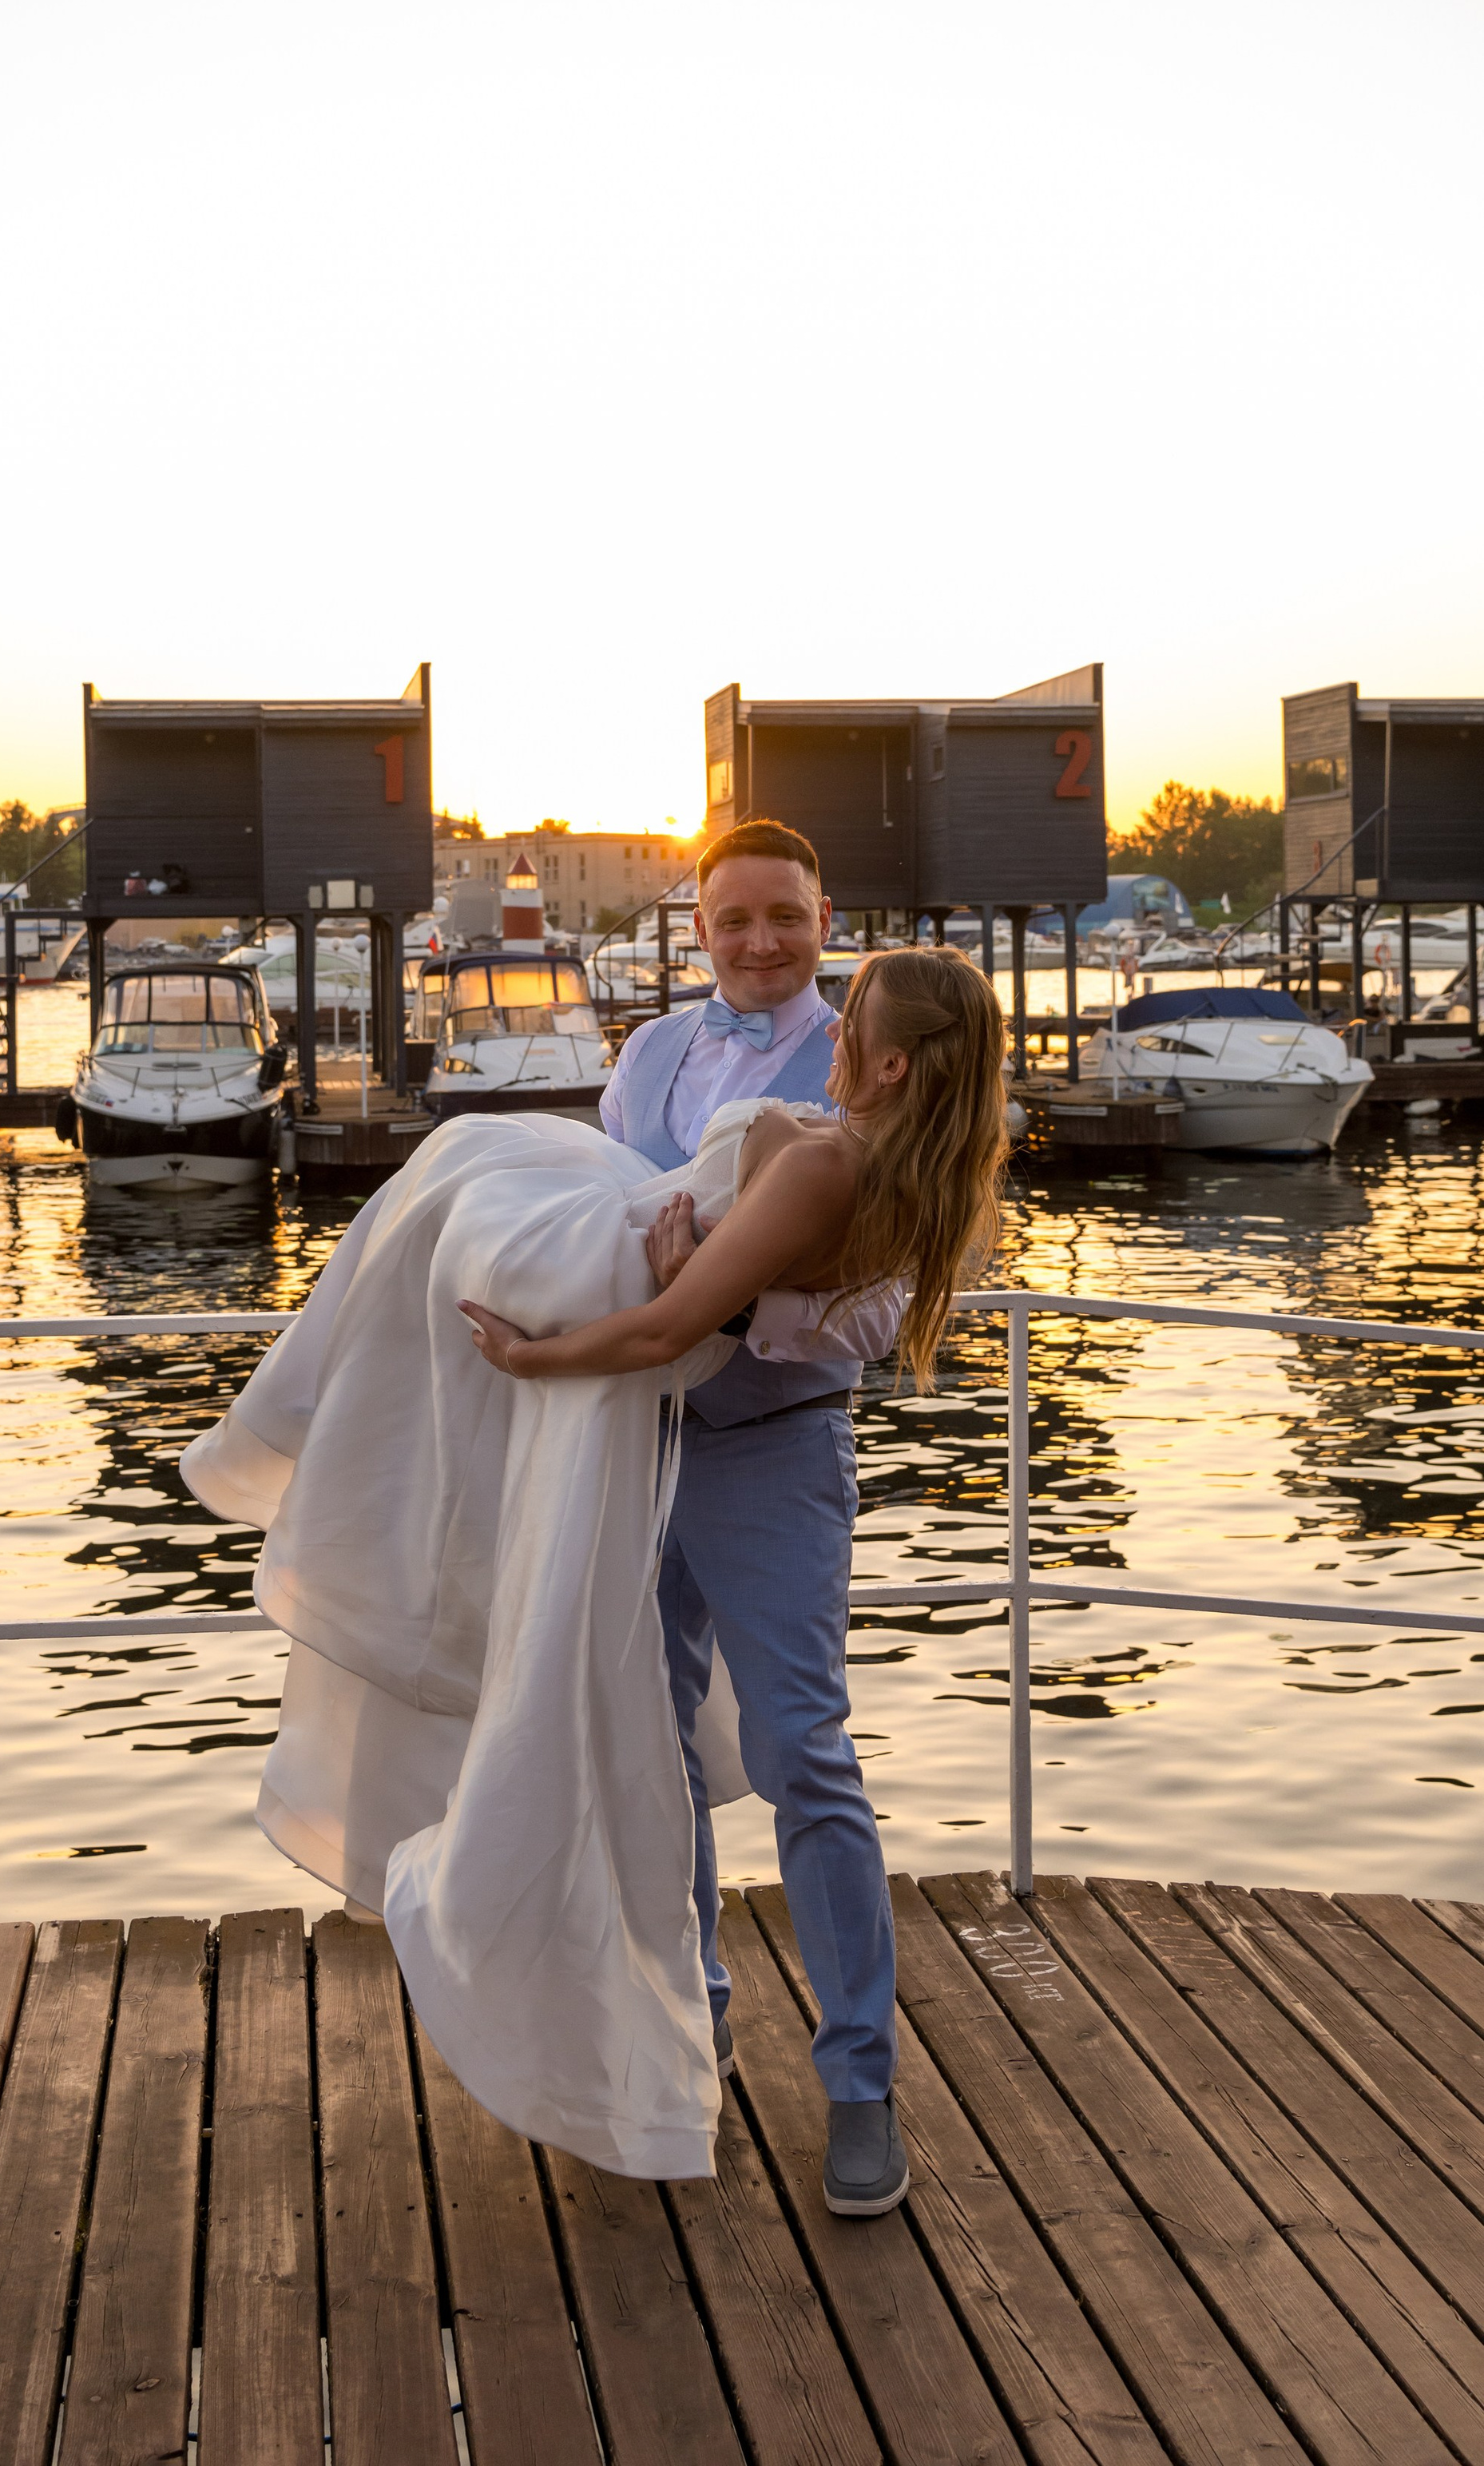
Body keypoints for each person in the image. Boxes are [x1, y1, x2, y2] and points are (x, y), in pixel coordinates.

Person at [461, 824, 1006, 2217]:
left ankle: (861, 2080)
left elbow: (880, 1309)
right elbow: (608, 1209)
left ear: (825, 914)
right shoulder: (647, 1057)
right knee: (654, 1741)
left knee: (803, 1747)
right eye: (732, 918)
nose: (758, 941)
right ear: (696, 924)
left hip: (769, 1444)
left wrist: (712, 1291)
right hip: (631, 1437)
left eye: (783, 916)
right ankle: (686, 2014)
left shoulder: (889, 1065)